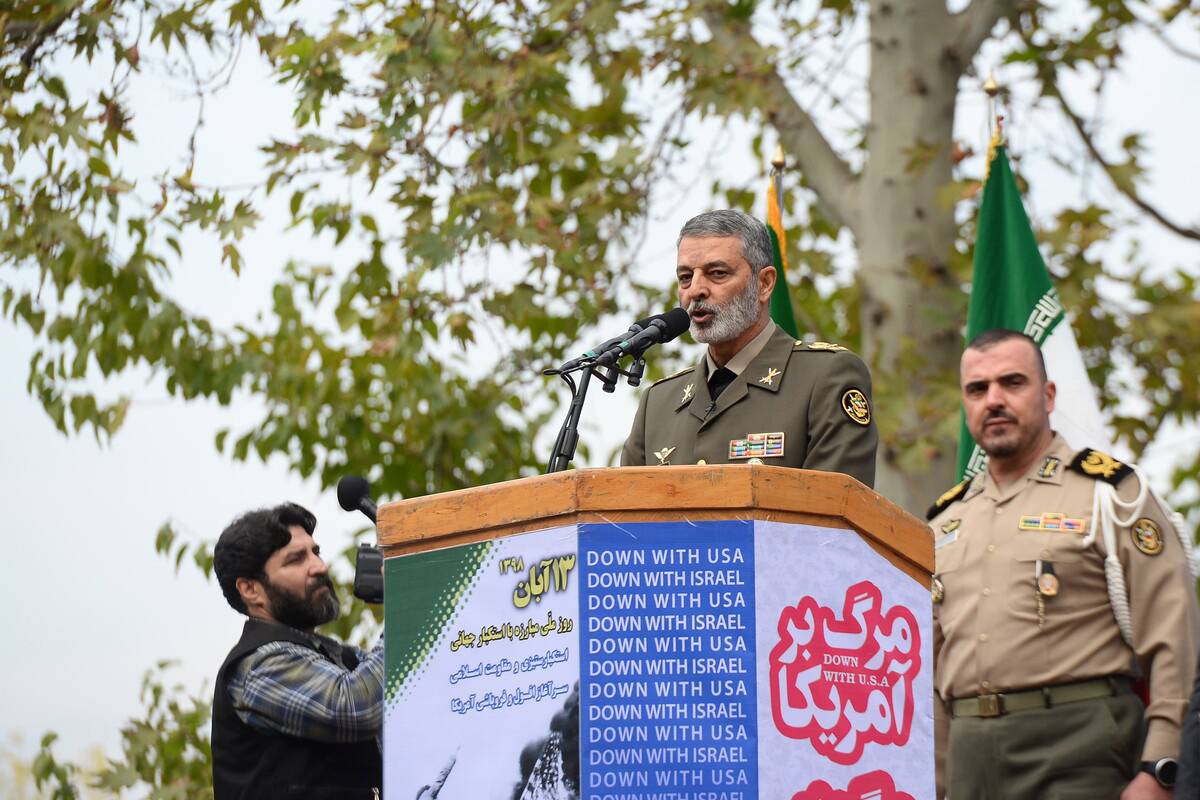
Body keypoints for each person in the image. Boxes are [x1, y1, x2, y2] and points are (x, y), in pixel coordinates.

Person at [928, 328, 1197, 800]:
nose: (993, 400)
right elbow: (929, 673)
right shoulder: (944, 520)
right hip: (971, 757)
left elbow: (1174, 639)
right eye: (978, 389)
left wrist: (1160, 767)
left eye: (1012, 383)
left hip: (1081, 747)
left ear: (1048, 395)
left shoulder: (1111, 496)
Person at [620, 209, 878, 487]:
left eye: (717, 273)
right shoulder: (658, 403)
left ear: (764, 284)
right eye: (685, 277)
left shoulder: (825, 377)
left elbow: (834, 515)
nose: (695, 290)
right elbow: (622, 520)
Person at [211, 502, 382, 799]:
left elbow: (415, 688)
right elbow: (355, 707)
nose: (319, 567)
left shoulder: (343, 658)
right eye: (295, 560)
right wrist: (409, 598)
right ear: (251, 589)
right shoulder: (258, 665)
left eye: (316, 552)